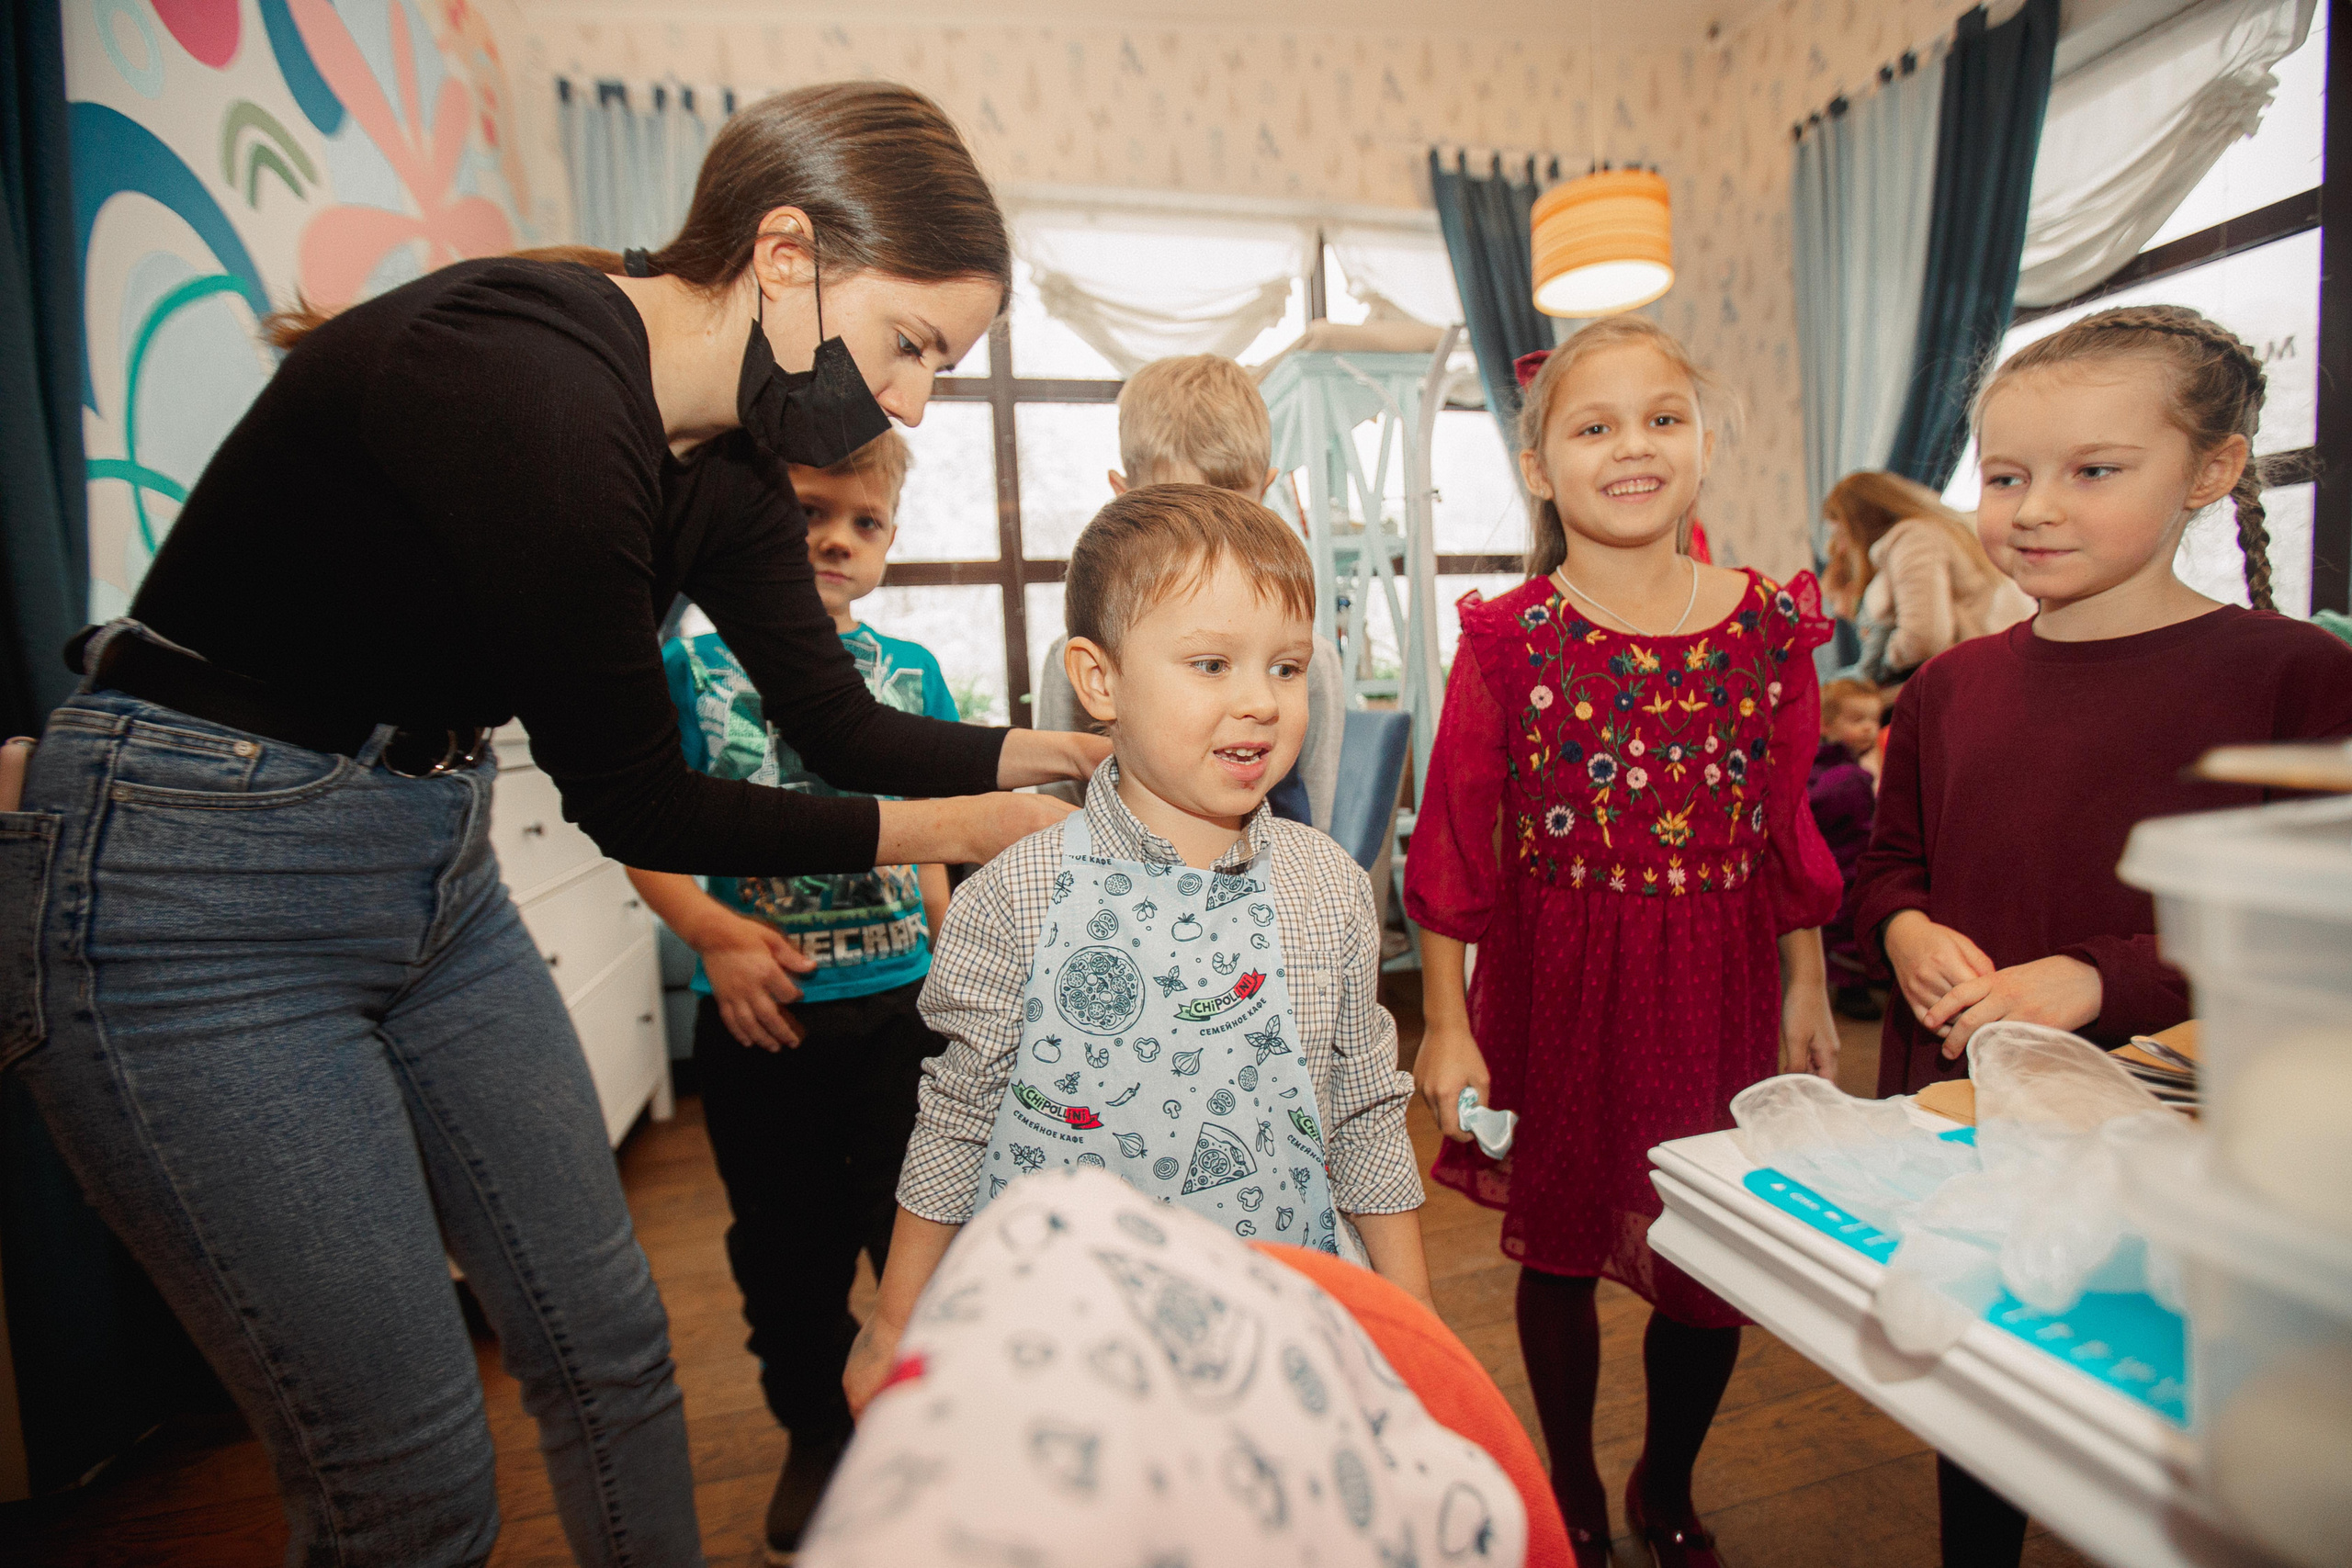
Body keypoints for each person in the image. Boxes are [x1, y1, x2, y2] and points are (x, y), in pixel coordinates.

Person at [4, 84, 1105, 1568]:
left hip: (424, 859)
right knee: (414, 1477)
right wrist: (966, 826)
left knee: (609, 1350)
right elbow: (638, 796)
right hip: (192, 888)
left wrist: (1069, 752)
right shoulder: (540, 388)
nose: (911, 401)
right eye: (913, 343)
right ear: (787, 257)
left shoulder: (717, 468)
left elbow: (841, 722)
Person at [1849, 304, 2352, 1568]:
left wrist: (2099, 974)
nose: (2034, 508)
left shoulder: (2292, 675)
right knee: (1985, 1390)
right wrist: (1905, 928)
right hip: (1976, 1111)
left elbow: (2311, 921)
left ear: (2213, 470)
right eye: (2007, 475)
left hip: (2187, 1126)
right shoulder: (1953, 684)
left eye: (2093, 470)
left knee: (2177, 1397)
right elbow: (1889, 865)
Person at [1404, 315, 1844, 1568]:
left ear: (1704, 444)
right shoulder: (1512, 635)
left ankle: (1669, 1473)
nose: (1632, 445)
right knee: (1563, 1236)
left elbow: (1784, 819)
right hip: (1562, 977)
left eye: (1663, 417)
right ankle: (1576, 1482)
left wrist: (1806, 983)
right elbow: (1455, 836)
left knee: (1711, 1251)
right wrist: (1444, 1016)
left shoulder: (1769, 626)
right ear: (1542, 466)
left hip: (1720, 977)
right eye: (1593, 425)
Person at [842, 484, 1432, 1416]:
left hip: (1287, 1347)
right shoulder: (1016, 895)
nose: (1259, 703)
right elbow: (955, 1121)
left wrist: (1415, 1329)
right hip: (1064, 1361)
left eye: (1285, 669)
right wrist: (889, 1326)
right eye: (1210, 663)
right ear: (1100, 680)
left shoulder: (1326, 889)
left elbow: (1363, 1117)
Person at [623, 429, 956, 1560]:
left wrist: (956, 957)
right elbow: (639, 828)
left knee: (913, 1232)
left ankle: (930, 1429)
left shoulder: (911, 673)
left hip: (900, 1015)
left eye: (864, 523)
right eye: (811, 512)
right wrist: (712, 933)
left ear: (890, 543)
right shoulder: (694, 668)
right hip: (764, 1026)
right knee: (785, 1252)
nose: (835, 539)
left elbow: (932, 838)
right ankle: (816, 1433)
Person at [1031, 355, 1344, 828]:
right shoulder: (1076, 660)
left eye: (1233, 507)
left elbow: (1317, 815)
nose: (1210, 536)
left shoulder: (1311, 660)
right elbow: (1058, 811)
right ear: (1123, 495)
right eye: (1175, 511)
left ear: (1266, 491)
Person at [1821, 470, 2034, 685]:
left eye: (1842, 535)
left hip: (1982, 677)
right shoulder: (1937, 528)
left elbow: (1924, 639)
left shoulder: (1914, 539)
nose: (1840, 548)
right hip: (2001, 666)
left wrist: (1880, 666)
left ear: (1862, 525)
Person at [1811, 677, 1883, 1020]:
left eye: (1875, 719)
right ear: (1826, 724)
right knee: (1846, 925)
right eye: (1857, 721)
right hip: (1845, 865)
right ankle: (1852, 986)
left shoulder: (1838, 768)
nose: (1870, 728)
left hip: (1840, 861)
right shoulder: (1847, 778)